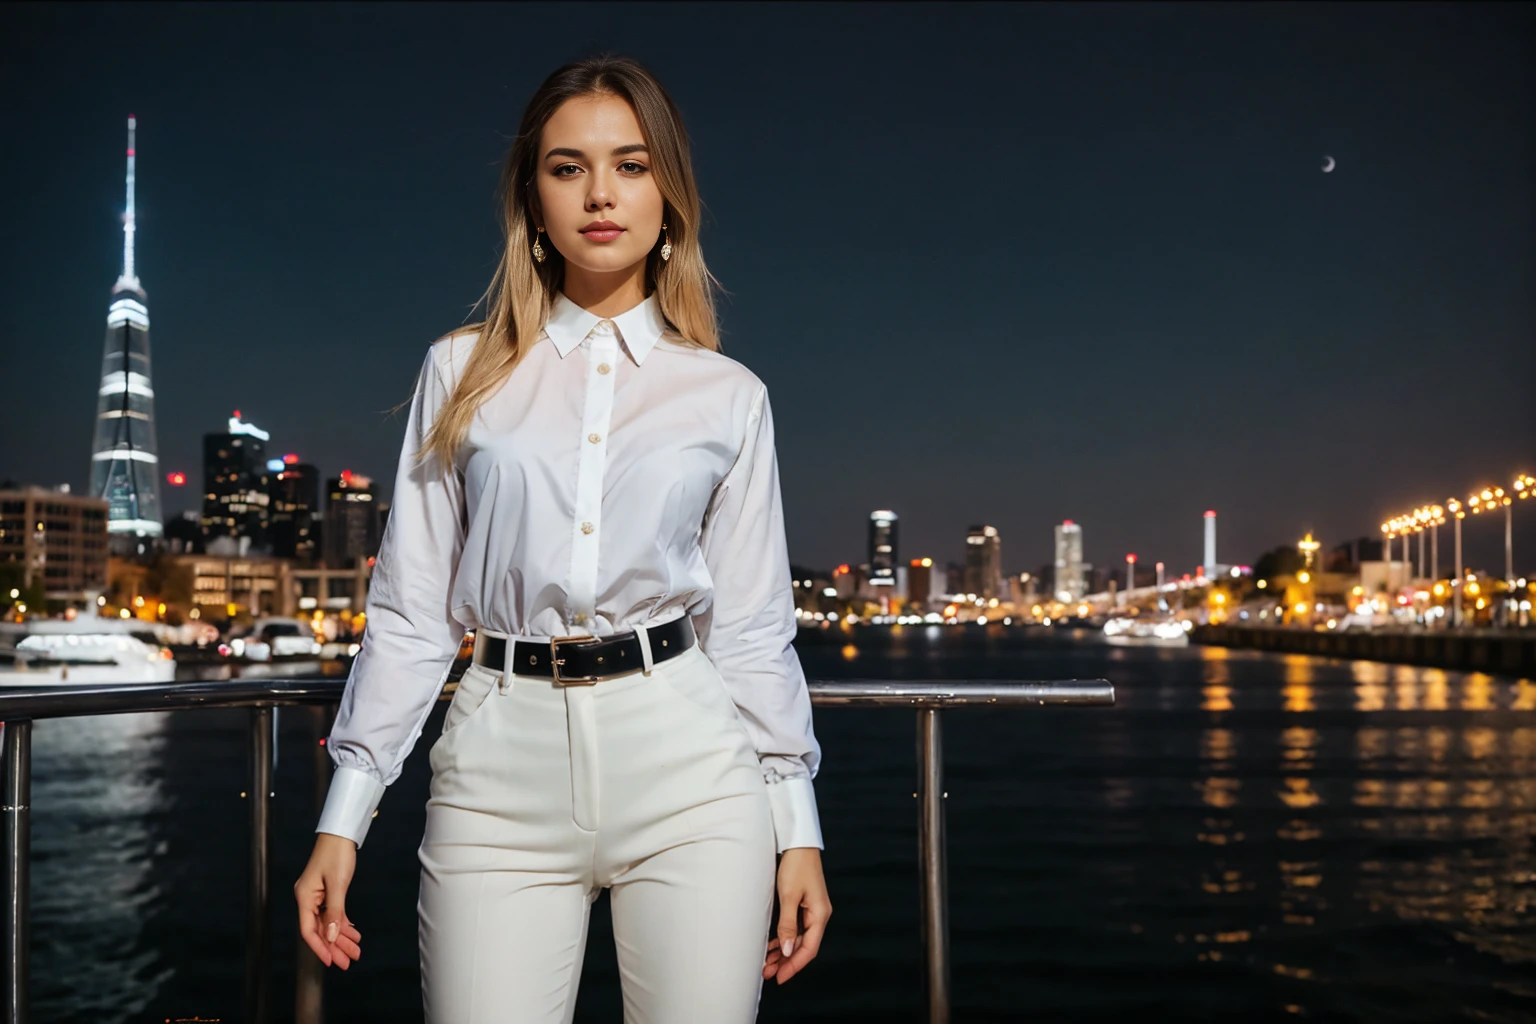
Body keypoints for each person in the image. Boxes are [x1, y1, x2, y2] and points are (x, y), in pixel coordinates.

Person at [292, 54, 831, 1022]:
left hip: (692, 771)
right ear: (532, 198)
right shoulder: (459, 372)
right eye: (567, 167)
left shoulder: (729, 397)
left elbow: (751, 629)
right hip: (498, 769)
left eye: (629, 165)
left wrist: (799, 828)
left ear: (669, 192)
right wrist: (345, 817)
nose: (600, 195)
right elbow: (413, 611)